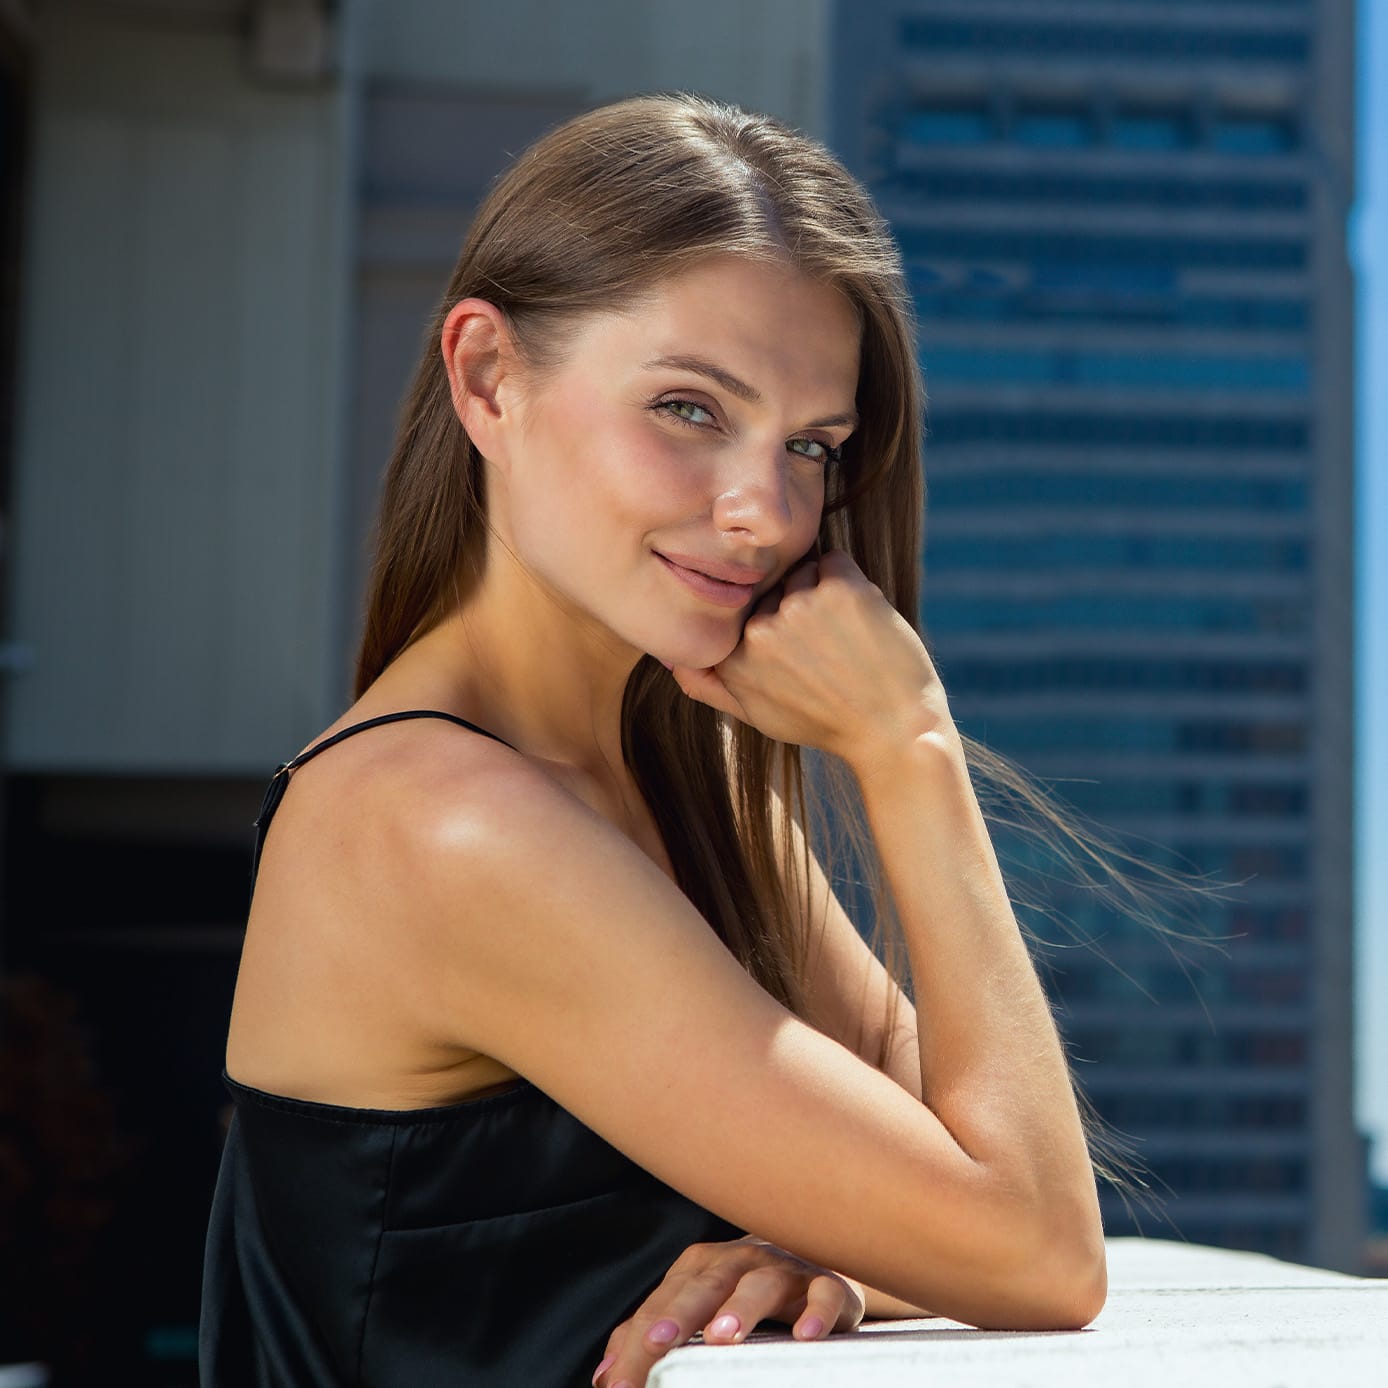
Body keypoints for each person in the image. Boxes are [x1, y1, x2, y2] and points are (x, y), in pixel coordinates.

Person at [199, 92, 1107, 1388]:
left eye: (812, 445)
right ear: (488, 379)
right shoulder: (442, 822)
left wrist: (835, 1259)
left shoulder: (680, 763)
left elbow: (963, 1160)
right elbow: (1035, 1246)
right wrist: (909, 749)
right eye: (688, 408)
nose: (765, 512)